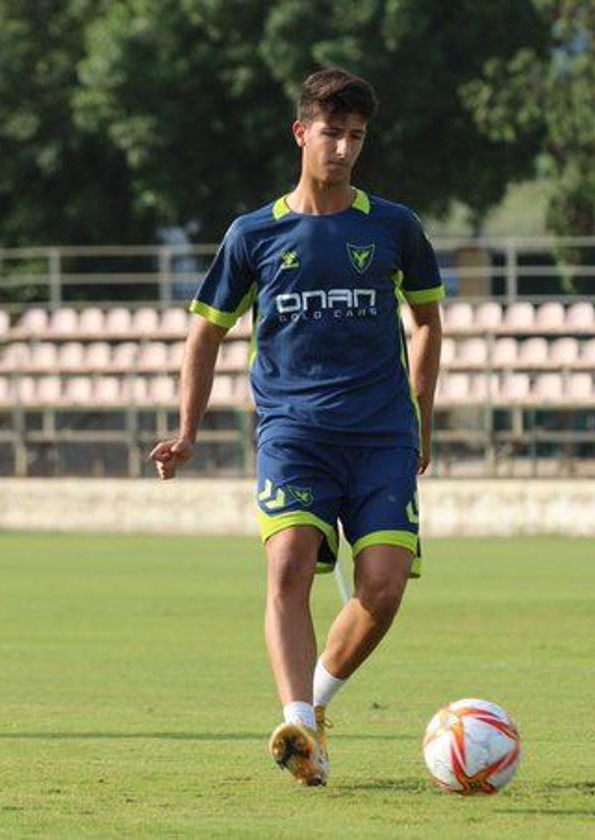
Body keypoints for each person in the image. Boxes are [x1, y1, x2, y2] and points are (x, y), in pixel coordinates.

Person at [149, 68, 444, 787]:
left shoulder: (394, 226)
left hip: (381, 436)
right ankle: (300, 726)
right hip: (295, 432)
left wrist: (422, 423)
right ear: (301, 133)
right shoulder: (255, 234)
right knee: (287, 568)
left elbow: (429, 321)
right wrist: (187, 431)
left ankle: (317, 704)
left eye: (356, 136)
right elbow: (204, 334)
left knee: (382, 589)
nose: (343, 148)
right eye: (332, 133)